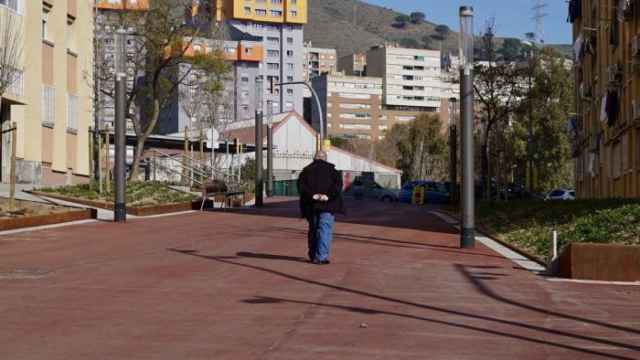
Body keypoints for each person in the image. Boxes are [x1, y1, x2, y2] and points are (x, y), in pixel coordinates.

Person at [297, 150, 344, 265]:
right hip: (328, 205)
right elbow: (337, 188)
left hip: (311, 205)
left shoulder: (306, 171)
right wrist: (327, 196)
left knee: (313, 229)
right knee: (325, 229)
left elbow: (302, 188)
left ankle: (313, 255)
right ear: (325, 158)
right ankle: (321, 256)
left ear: (314, 158)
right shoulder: (334, 172)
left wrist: (313, 195)